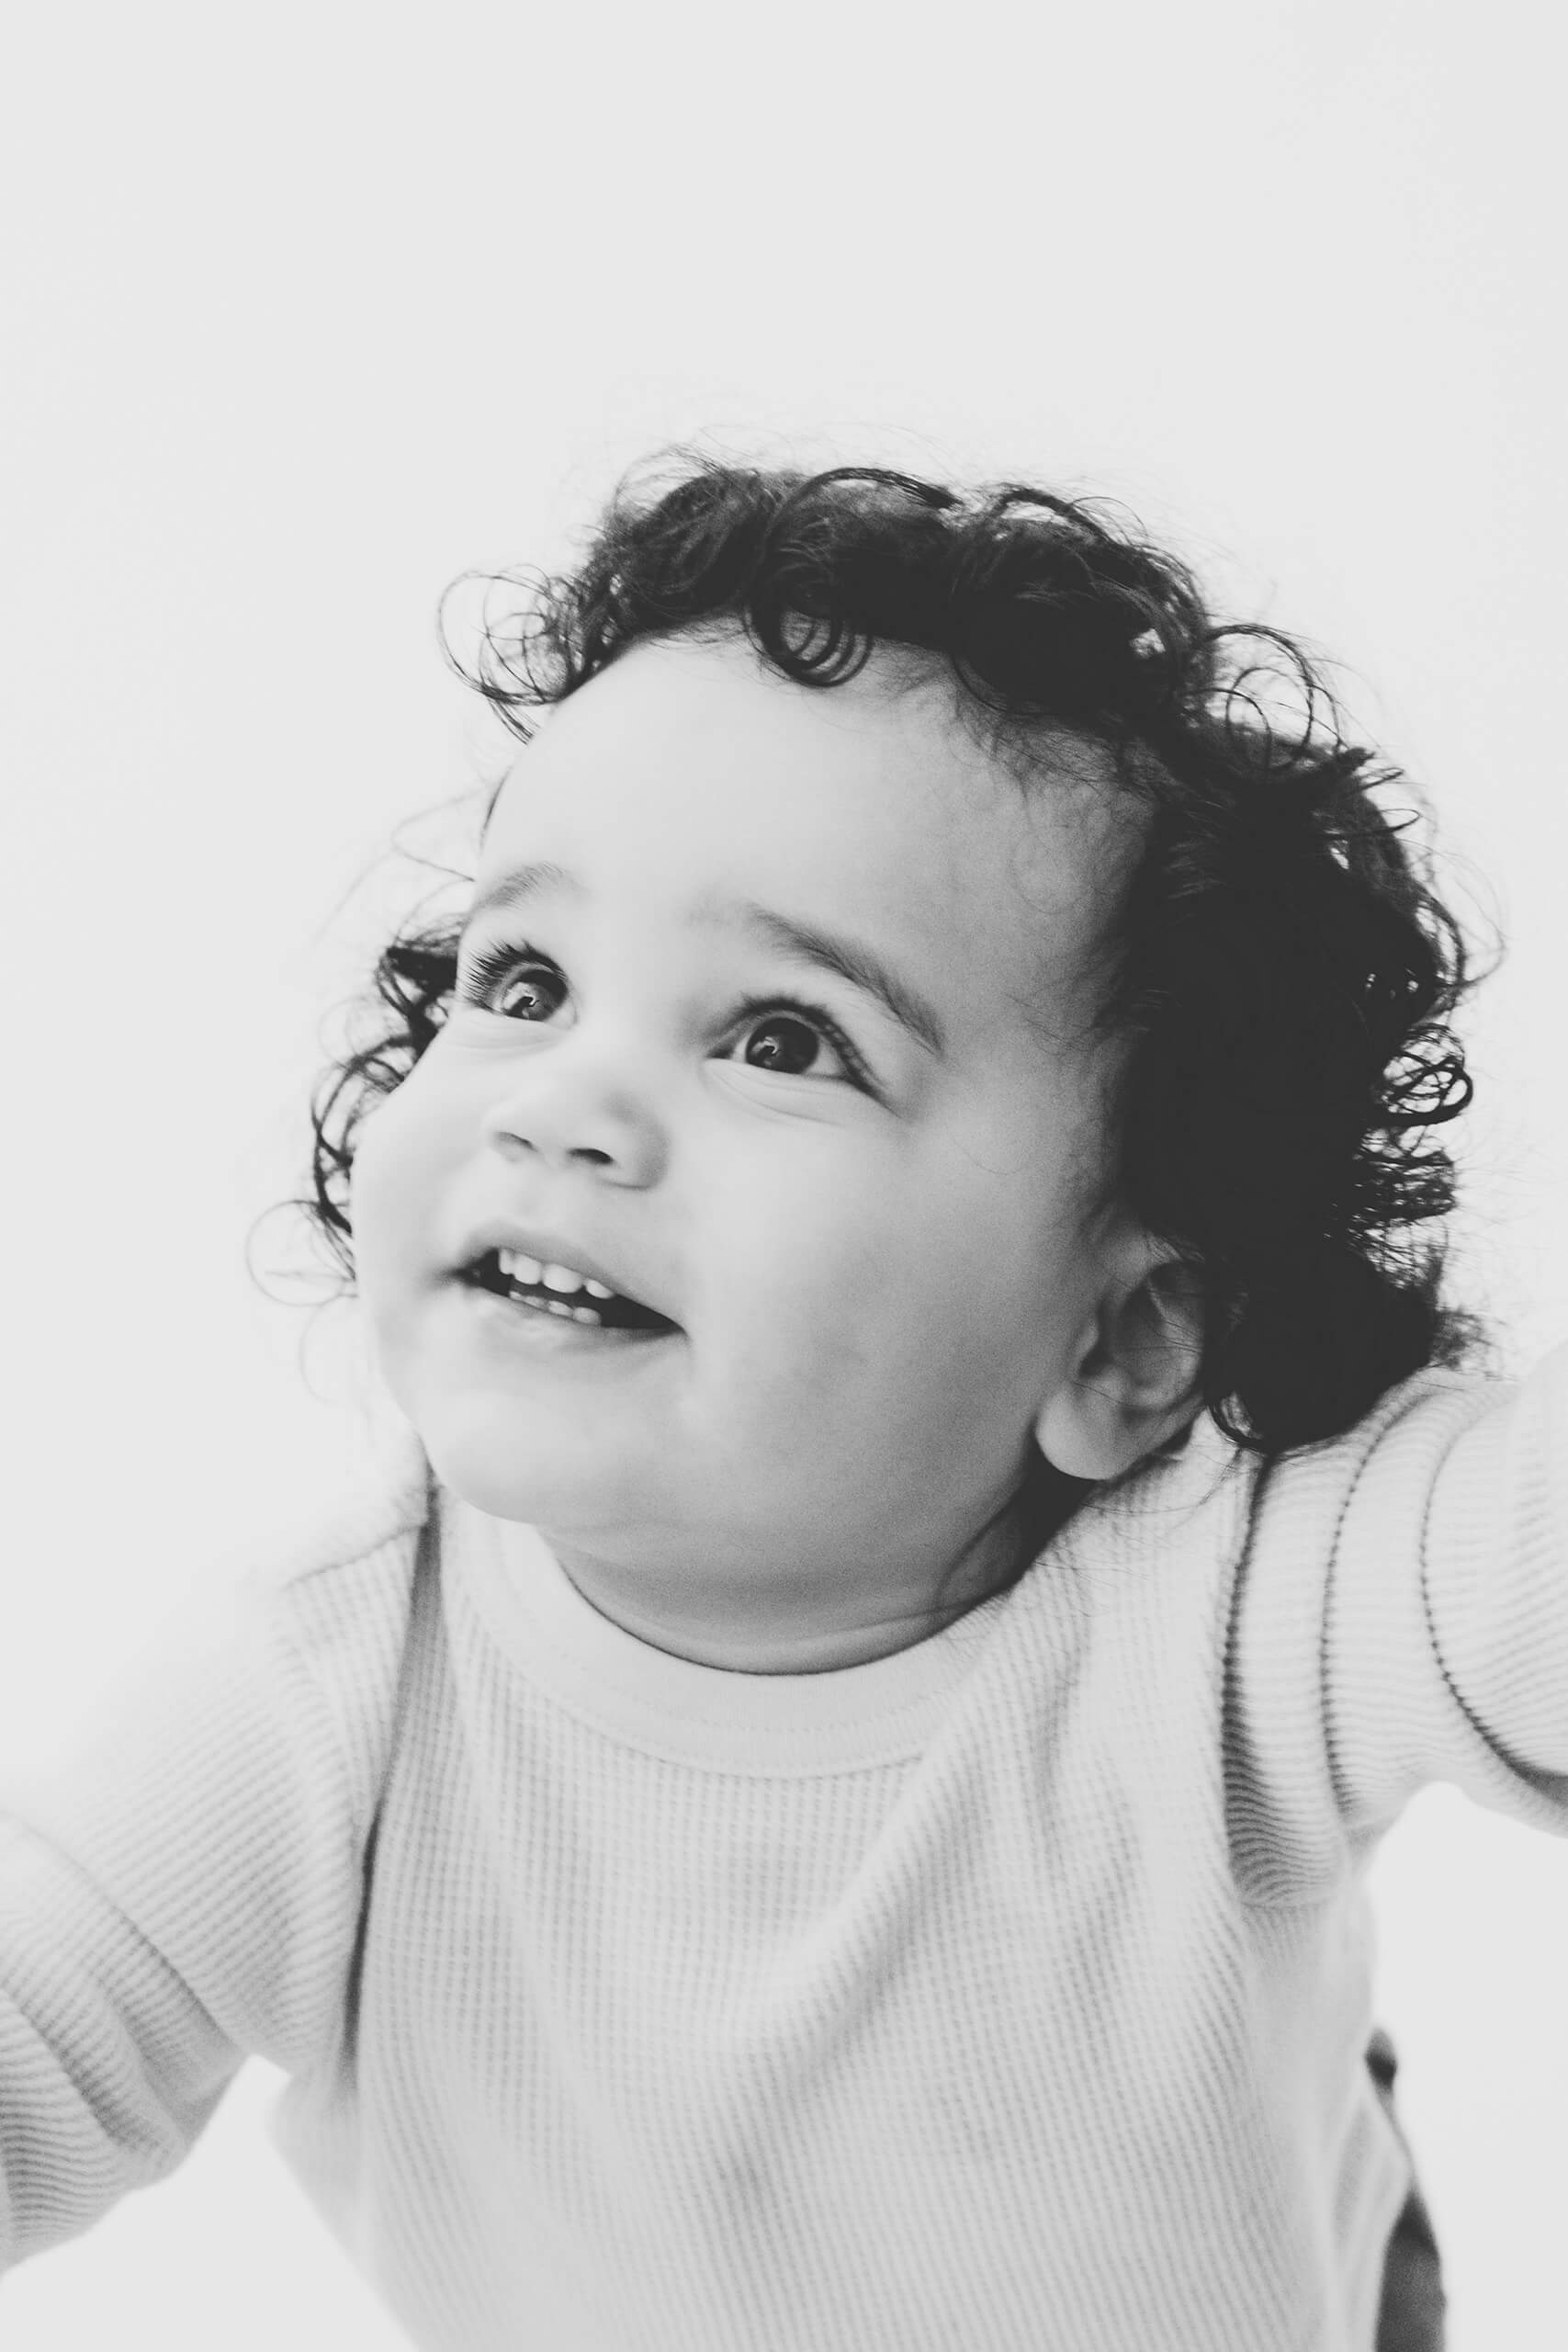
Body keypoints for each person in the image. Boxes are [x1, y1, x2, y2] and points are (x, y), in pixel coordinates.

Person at [3, 449, 1560, 2351]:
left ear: (1125, 1338)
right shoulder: (317, 1700)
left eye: (780, 1037)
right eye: (522, 974)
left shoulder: (1239, 1595)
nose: (560, 1096)